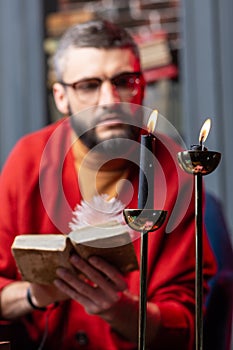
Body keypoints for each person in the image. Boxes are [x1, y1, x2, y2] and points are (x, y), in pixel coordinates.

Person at [0, 20, 216, 350]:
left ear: (142, 84)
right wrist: (34, 295)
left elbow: (186, 327)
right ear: (61, 96)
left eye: (123, 81)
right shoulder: (27, 160)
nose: (110, 99)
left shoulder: (177, 170)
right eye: (88, 85)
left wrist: (120, 309)